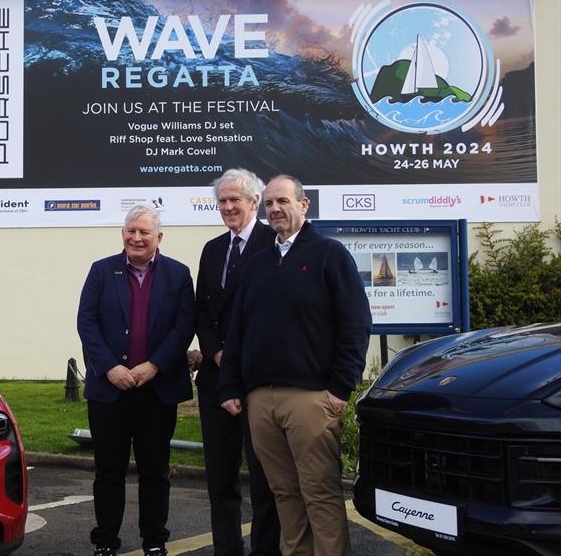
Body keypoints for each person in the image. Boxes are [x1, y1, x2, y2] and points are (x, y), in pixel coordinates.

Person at [219, 175, 371, 556]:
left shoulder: (329, 255)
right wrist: (230, 386)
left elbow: (355, 324)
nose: (275, 209)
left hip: (312, 399)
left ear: (304, 206)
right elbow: (238, 330)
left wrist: (340, 391)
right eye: (269, 203)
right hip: (261, 402)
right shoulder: (256, 266)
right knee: (284, 495)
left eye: (283, 201)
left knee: (320, 495)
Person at [77, 204, 195, 556]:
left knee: (154, 471)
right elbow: (87, 323)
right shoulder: (101, 271)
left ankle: (155, 541)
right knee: (108, 471)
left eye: (144, 232)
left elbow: (183, 326)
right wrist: (110, 367)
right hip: (109, 389)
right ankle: (106, 542)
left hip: (157, 389)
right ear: (123, 234)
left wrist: (155, 365)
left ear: (159, 237)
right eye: (131, 231)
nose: (137, 237)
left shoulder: (178, 274)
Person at [194, 168, 281, 556]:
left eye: (235, 200)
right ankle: (226, 550)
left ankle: (266, 550)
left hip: (258, 379)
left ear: (254, 202)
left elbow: (276, 312)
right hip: (216, 380)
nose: (228, 207)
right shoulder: (213, 249)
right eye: (222, 201)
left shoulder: (273, 243)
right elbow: (201, 310)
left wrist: (240, 358)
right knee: (220, 476)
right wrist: (215, 352)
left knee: (264, 477)